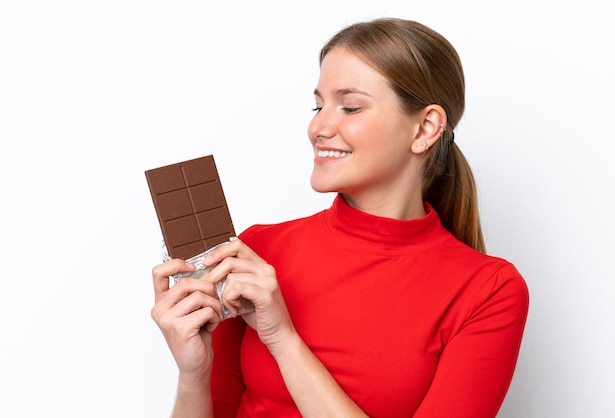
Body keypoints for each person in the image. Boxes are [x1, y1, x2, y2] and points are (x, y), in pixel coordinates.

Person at [151, 17, 529, 418]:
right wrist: (193, 373)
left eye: (350, 107)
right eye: (318, 105)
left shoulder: (488, 291)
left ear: (425, 127)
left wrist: (282, 338)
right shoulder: (255, 254)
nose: (318, 126)